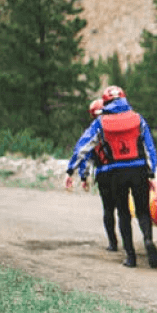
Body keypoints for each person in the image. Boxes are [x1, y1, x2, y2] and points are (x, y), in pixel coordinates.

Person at [67, 86, 157, 268]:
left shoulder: (100, 122)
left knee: (123, 213)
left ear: (106, 102)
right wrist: (151, 171)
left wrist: (71, 171)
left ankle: (131, 257)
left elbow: (82, 147)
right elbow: (149, 147)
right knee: (142, 211)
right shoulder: (137, 118)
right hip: (139, 170)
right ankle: (148, 239)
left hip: (115, 173)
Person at [67, 98, 120, 253]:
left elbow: (86, 156)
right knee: (123, 210)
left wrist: (84, 177)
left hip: (104, 174)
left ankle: (113, 243)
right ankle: (129, 243)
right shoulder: (119, 127)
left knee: (108, 210)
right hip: (122, 172)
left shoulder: (93, 131)